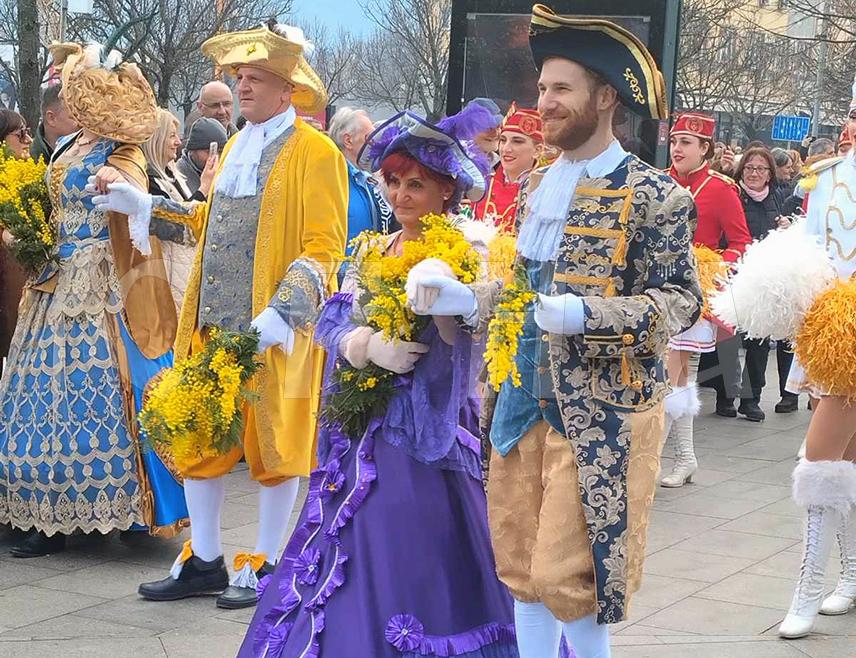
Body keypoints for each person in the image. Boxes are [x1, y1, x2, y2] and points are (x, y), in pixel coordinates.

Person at [406, 6, 702, 655]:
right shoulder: (538, 185)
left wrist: (589, 317)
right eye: (541, 88)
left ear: (604, 96)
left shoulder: (654, 193)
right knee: (519, 570)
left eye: (559, 88)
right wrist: (467, 298)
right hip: (517, 401)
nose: (544, 101)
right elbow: (521, 292)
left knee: (572, 578)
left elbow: (681, 302)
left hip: (597, 415)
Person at [238, 105, 526, 658]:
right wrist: (363, 344)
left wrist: (442, 297)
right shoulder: (372, 247)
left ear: (447, 191)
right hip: (362, 426)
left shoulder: (464, 251)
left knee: (413, 547)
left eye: (416, 184)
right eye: (393, 182)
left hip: (425, 432)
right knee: (351, 543)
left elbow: (469, 332)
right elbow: (329, 317)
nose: (400, 196)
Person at [95, 22, 347, 610]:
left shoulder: (317, 152)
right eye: (239, 77)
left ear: (288, 88)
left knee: (273, 444)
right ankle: (205, 558)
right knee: (200, 434)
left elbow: (324, 247)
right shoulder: (236, 145)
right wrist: (148, 206)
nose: (242, 87)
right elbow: (212, 227)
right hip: (211, 322)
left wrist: (283, 315)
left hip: (273, 332)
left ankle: (264, 559)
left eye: (254, 78)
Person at [0, 37, 188, 557]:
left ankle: (130, 509)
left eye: (78, 89)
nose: (70, 98)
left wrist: (118, 177)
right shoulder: (66, 148)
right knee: (40, 398)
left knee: (112, 392)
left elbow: (131, 187)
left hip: (104, 286)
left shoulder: (120, 150)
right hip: (55, 280)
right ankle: (46, 515)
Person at [777, 89, 856, 640]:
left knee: (820, 457)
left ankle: (808, 587)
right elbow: (811, 253)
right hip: (836, 333)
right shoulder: (827, 176)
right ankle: (847, 576)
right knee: (840, 461)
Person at [664, 112, 751, 486]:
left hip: (695, 296)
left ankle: (652, 460)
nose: (677, 148)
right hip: (658, 293)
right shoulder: (660, 183)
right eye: (674, 141)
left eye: (686, 142)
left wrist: (711, 266)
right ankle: (685, 457)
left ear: (705, 149)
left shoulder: (721, 188)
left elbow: (740, 242)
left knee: (672, 375)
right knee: (679, 378)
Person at [734, 147, 788, 418]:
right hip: (734, 272)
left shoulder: (776, 197)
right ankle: (725, 394)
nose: (754, 173)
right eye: (749, 168)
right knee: (728, 339)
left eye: (761, 169)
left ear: (770, 174)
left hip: (764, 276)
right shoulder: (733, 194)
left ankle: (751, 397)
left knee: (759, 340)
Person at [141, 108, 213, 313]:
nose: (178, 142)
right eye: (172, 136)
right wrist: (204, 187)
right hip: (166, 275)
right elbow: (177, 225)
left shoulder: (173, 175)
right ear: (156, 139)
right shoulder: (149, 182)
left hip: (183, 270)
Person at [327, 106, 395, 281]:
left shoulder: (368, 179)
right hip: (343, 286)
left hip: (371, 282)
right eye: (369, 139)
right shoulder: (332, 179)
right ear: (348, 141)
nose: (376, 145)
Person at [472, 102, 543, 233]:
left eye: (517, 141)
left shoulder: (544, 191)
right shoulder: (482, 184)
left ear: (537, 150)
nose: (506, 149)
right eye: (503, 140)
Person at [175, 117, 227, 197]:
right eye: (209, 152)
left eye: (220, 151)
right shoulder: (178, 176)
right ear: (192, 150)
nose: (215, 158)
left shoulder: (227, 171)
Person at [30, 84, 79, 163]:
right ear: (51, 118)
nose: (83, 120)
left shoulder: (94, 152)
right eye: (75, 114)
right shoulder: (27, 162)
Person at [468, 97, 503, 169]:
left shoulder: (502, 166)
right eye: (488, 128)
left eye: (498, 127)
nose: (495, 133)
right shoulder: (451, 165)